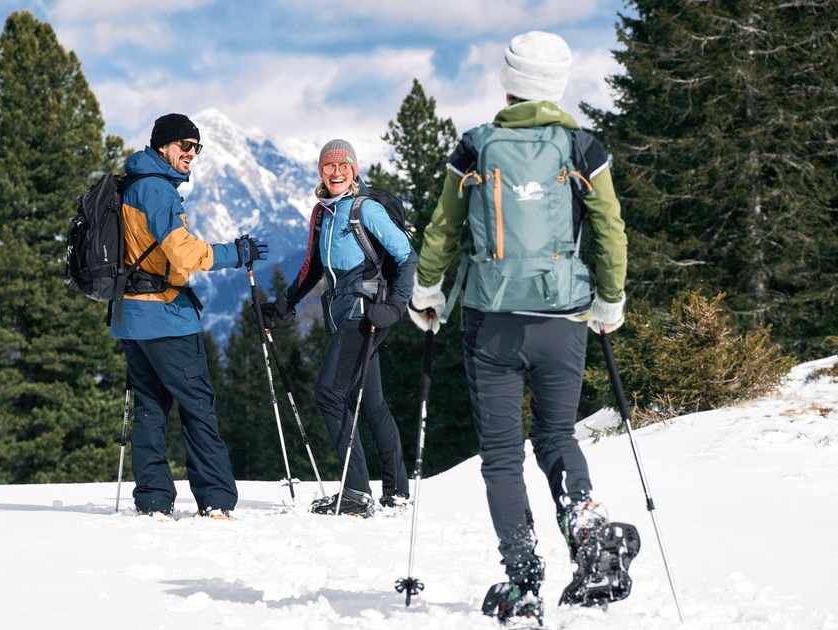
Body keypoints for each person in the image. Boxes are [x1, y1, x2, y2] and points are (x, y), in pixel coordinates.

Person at [407, 32, 630, 618]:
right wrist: (609, 299)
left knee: (502, 455)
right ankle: (587, 531)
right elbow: (608, 226)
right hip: (564, 318)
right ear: (557, 85)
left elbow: (442, 230)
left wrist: (426, 292)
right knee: (557, 436)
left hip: (493, 322)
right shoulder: (583, 149)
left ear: (509, 83)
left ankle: (523, 581)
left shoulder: (476, 148)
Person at [113, 113, 268, 519]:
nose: (191, 154)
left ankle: (152, 501)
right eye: (185, 146)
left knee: (149, 406)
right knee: (197, 404)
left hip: (130, 316)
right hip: (165, 315)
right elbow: (182, 251)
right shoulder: (159, 190)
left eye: (197, 147)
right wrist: (235, 253)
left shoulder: (131, 184)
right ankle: (216, 498)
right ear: (163, 146)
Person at [259, 140, 417, 517]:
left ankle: (357, 493)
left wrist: (396, 304)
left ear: (354, 170)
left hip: (366, 315)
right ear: (320, 172)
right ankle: (396, 492)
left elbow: (407, 255)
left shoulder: (366, 210)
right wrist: (284, 305)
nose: (335, 173)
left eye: (343, 166)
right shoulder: (322, 213)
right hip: (344, 313)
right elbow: (313, 265)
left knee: (329, 394)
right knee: (372, 403)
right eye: (328, 167)